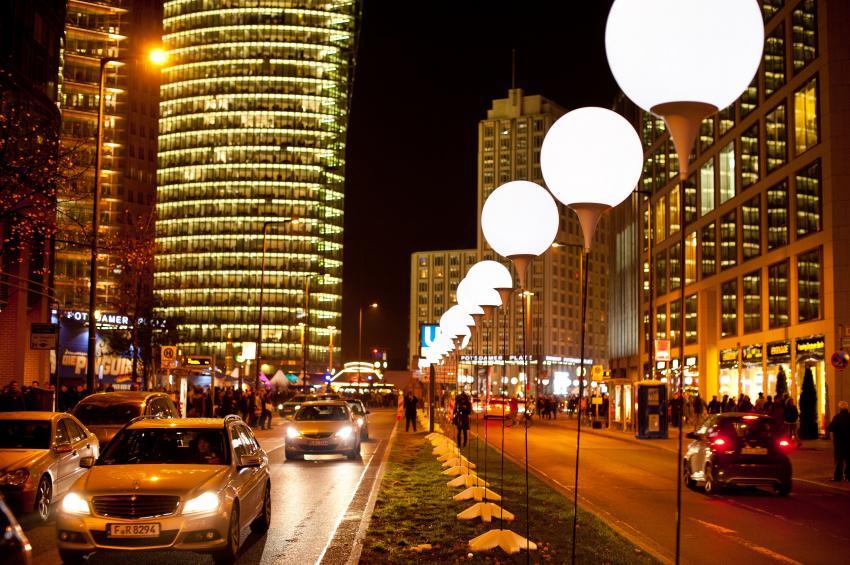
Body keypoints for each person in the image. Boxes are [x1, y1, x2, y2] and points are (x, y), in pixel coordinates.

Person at [827, 400, 850, 482]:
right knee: (848, 459)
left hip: (839, 442)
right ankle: (848, 476)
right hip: (849, 442)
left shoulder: (837, 417)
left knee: (839, 460)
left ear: (840, 408)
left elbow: (830, 428)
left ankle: (838, 477)